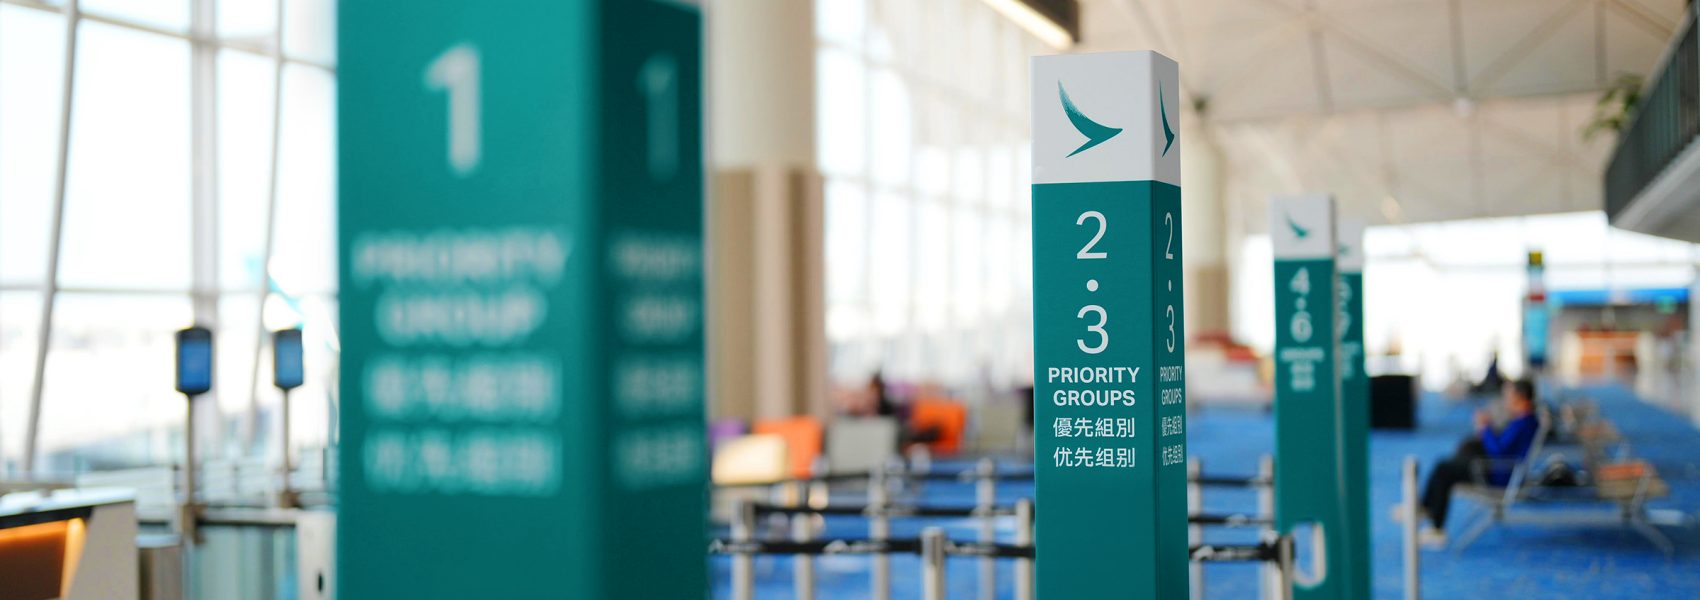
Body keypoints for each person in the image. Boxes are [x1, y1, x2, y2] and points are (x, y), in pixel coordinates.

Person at [1415, 378, 1541, 548]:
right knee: (1465, 449)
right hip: (1498, 467)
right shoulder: (1523, 419)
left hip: (1498, 474)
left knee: (1444, 469)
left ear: (1520, 397)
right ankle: (1427, 508)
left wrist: (1485, 427)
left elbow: (1498, 453)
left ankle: (1436, 527)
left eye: (1508, 395)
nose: (1506, 399)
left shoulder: (1524, 423)